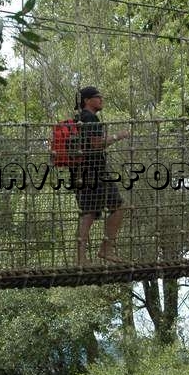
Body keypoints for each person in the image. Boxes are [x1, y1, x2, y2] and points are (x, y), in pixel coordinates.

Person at [71, 86, 130, 265]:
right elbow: (96, 144)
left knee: (88, 214)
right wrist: (117, 136)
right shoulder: (91, 119)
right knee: (118, 207)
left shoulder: (78, 119)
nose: (101, 99)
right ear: (87, 100)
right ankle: (106, 250)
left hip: (80, 172)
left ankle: (81, 259)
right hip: (95, 172)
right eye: (98, 97)